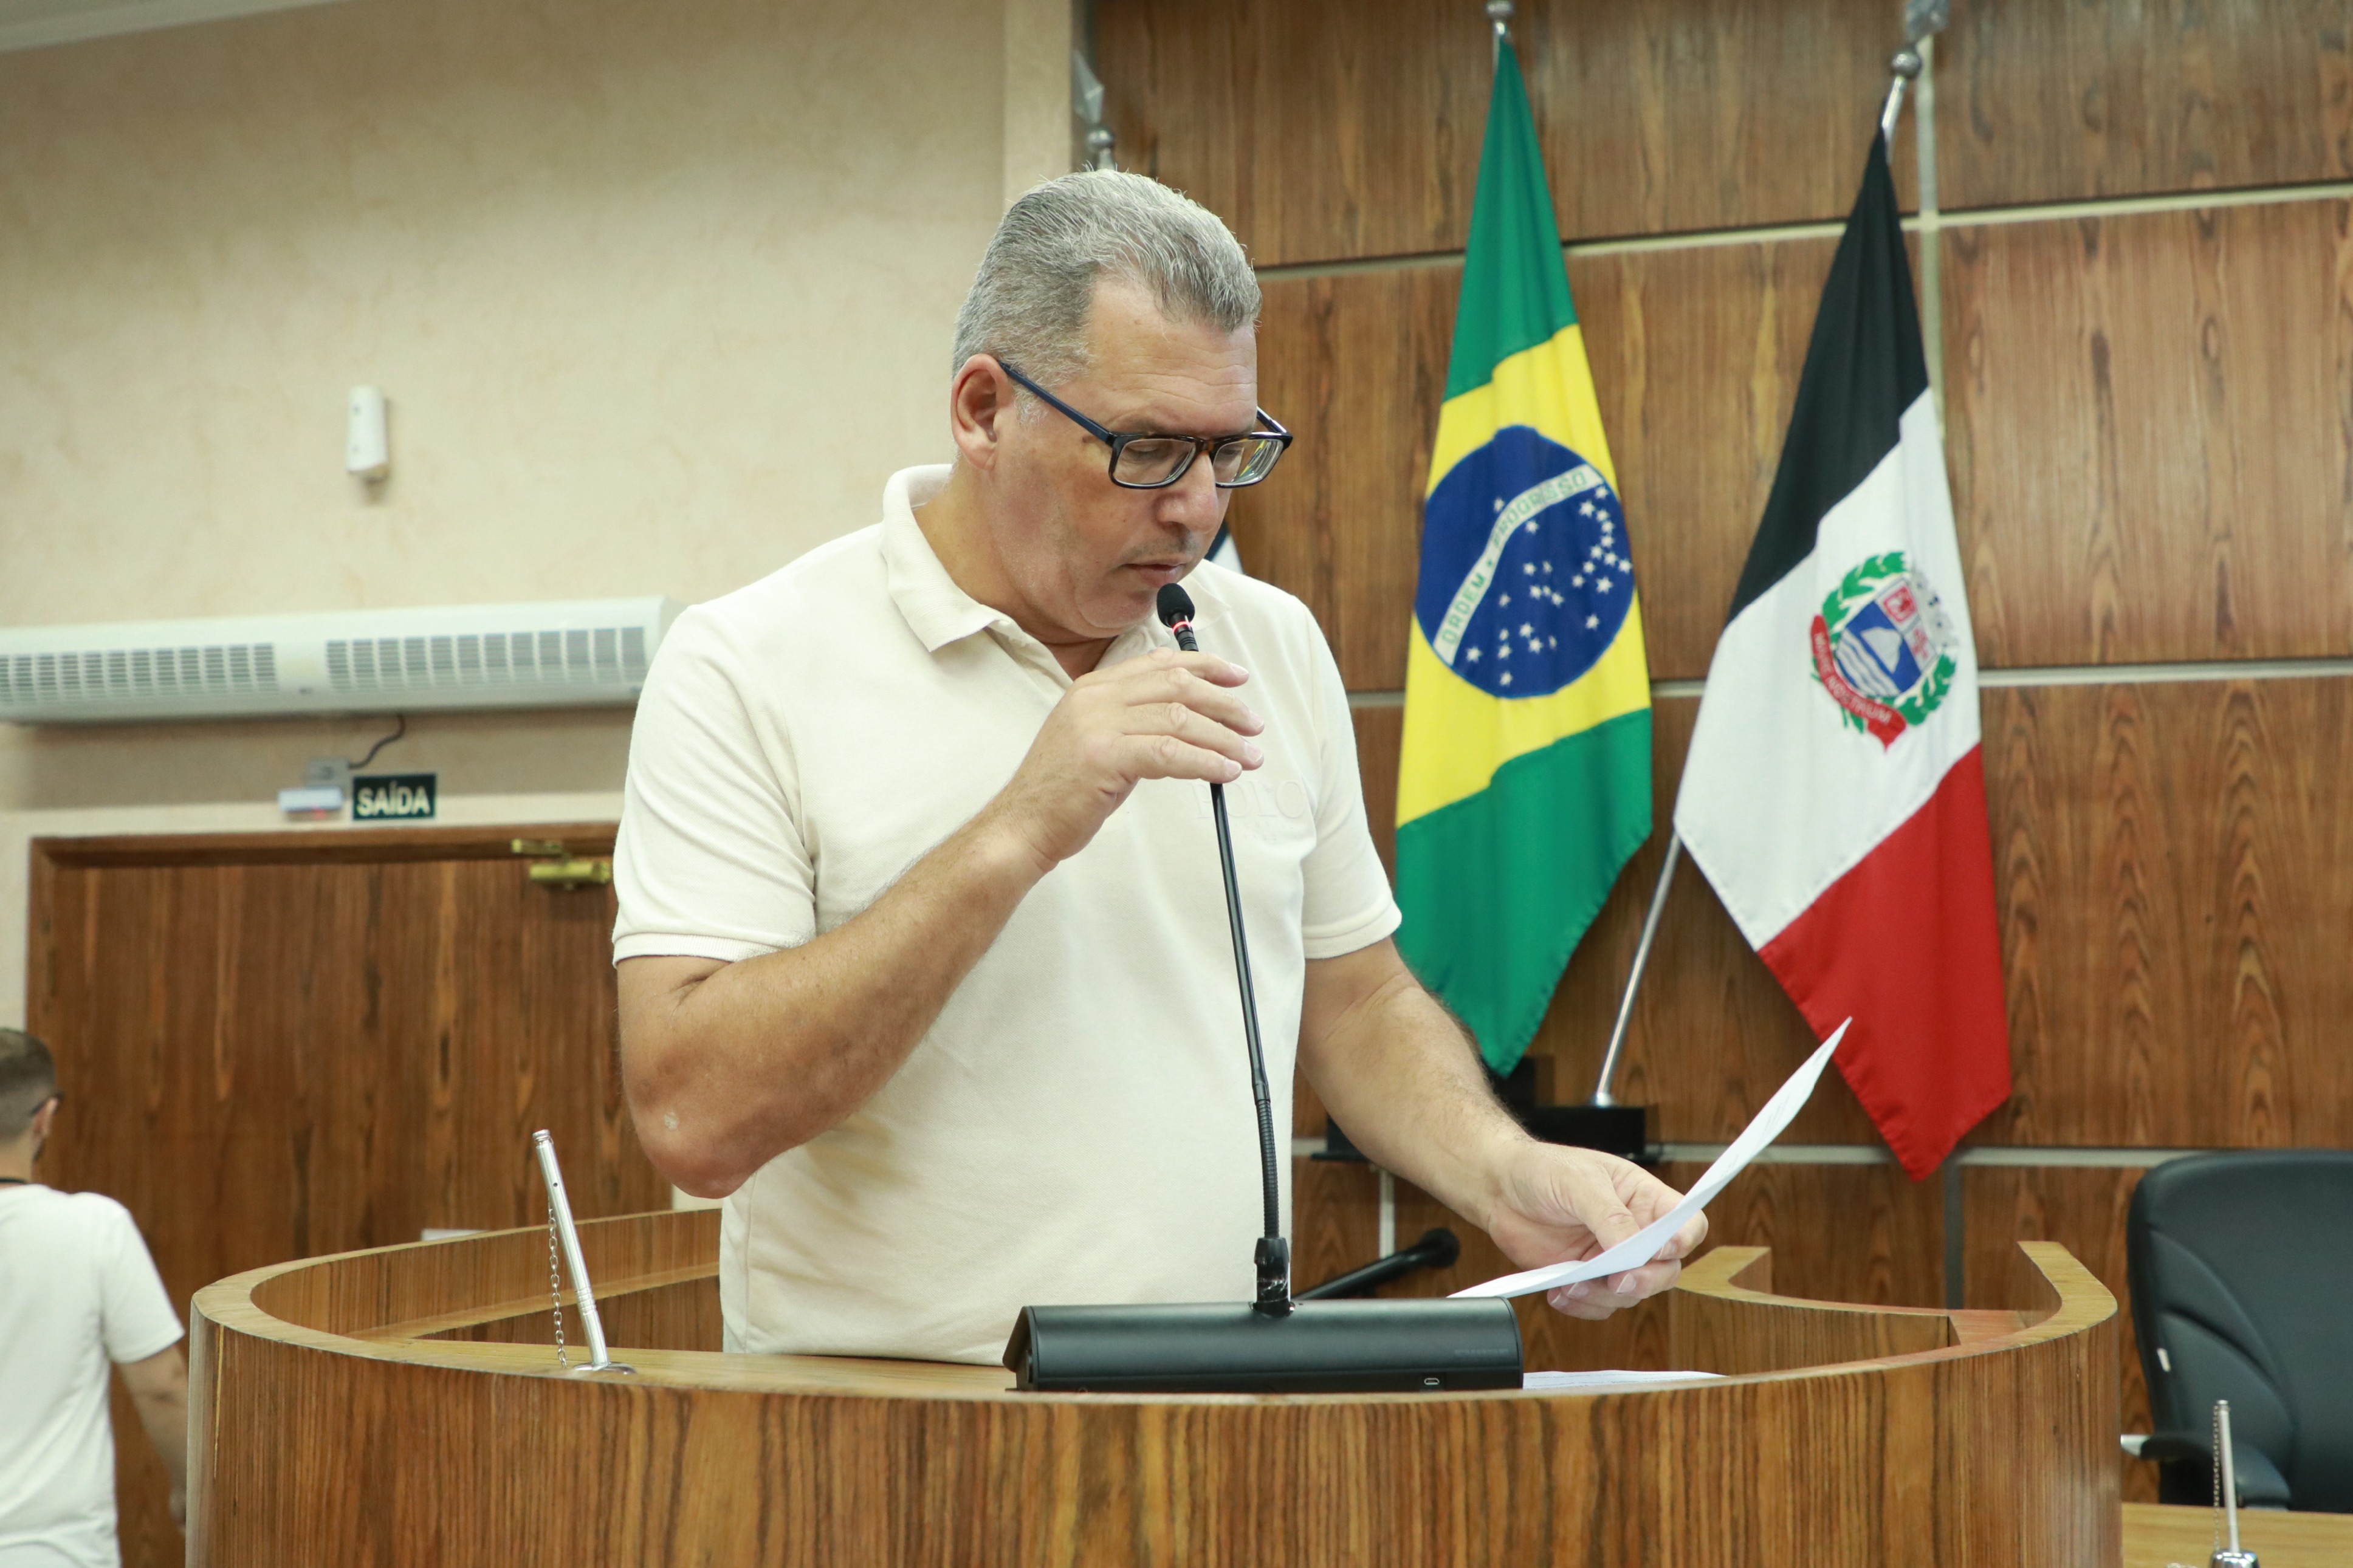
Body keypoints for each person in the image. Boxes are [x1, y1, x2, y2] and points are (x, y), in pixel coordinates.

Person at [613, 169, 1704, 1363]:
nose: (1196, 510)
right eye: (1147, 449)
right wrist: (1017, 828)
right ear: (984, 411)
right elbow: (692, 1118)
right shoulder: (747, 663)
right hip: (884, 1429)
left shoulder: (1266, 643)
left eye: (1228, 451)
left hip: (1208, 1412)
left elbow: (1356, 1004)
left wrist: (1505, 1172)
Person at [0, 1030, 187, 1567]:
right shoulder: (95, 1228)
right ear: (46, 1116)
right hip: (55, 1549)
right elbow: (163, 1387)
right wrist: (191, 1492)